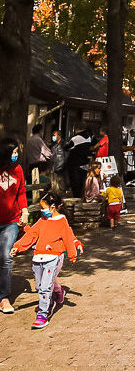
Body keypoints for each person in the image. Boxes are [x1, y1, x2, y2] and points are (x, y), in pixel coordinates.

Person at [10, 191, 82, 329]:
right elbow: (32, 234)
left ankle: (44, 312)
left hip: (54, 257)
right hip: (38, 257)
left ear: (53, 207)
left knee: (45, 287)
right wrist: (18, 247)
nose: (42, 210)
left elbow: (68, 237)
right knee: (39, 286)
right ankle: (57, 294)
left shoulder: (62, 221)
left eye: (43, 207)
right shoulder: (42, 220)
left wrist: (72, 253)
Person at [0, 138, 28, 314]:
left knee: (5, 256)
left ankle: (3, 297)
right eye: (14, 152)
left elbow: (22, 191)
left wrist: (25, 211)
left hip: (11, 221)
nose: (16, 155)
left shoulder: (18, 169)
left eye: (17, 152)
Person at [65, 129, 91, 198]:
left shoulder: (75, 138)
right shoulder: (89, 138)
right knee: (82, 182)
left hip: (75, 164)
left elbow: (66, 147)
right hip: (85, 163)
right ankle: (81, 197)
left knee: (75, 183)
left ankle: (76, 197)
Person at [48, 129, 68, 194]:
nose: (53, 137)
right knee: (55, 186)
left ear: (59, 136)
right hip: (54, 168)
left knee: (62, 185)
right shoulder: (53, 145)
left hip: (61, 168)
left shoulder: (64, 144)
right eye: (52, 135)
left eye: (54, 135)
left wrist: (63, 166)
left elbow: (66, 156)